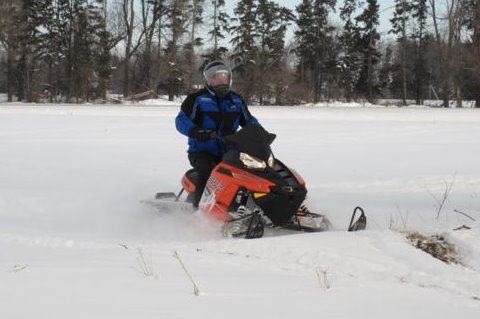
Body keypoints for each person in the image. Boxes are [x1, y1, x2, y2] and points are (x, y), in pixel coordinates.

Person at [175, 60, 260, 208]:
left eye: (224, 78)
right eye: (216, 78)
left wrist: (260, 133)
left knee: (251, 170)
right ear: (208, 80)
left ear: (229, 79)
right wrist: (196, 131)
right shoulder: (197, 99)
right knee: (208, 172)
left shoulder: (236, 100)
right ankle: (198, 211)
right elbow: (181, 119)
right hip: (201, 151)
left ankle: (253, 205)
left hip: (230, 151)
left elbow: (249, 121)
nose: (221, 81)